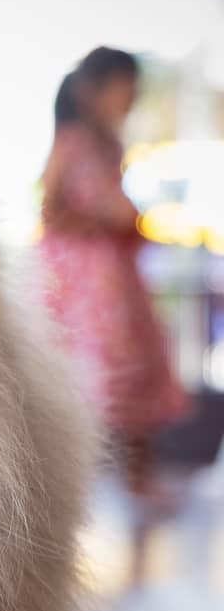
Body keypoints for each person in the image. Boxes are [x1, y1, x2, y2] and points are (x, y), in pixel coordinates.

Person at [40, 46, 189, 507]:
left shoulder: (110, 146)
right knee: (101, 378)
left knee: (133, 375)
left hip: (116, 281)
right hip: (91, 286)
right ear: (93, 91)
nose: (133, 98)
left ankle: (139, 480)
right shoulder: (73, 143)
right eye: (127, 87)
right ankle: (88, 487)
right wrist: (109, 222)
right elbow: (52, 211)